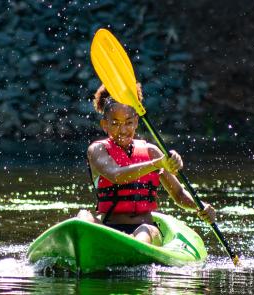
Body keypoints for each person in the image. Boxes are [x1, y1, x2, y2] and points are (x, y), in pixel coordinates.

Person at [77, 83, 216, 246]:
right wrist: (158, 163)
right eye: (115, 124)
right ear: (104, 125)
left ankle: (133, 250)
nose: (122, 130)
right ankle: (107, 247)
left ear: (136, 121)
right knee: (83, 216)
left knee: (144, 230)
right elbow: (116, 175)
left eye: (128, 123)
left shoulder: (151, 152)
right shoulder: (97, 150)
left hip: (145, 229)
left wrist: (201, 206)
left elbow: (179, 194)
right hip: (109, 229)